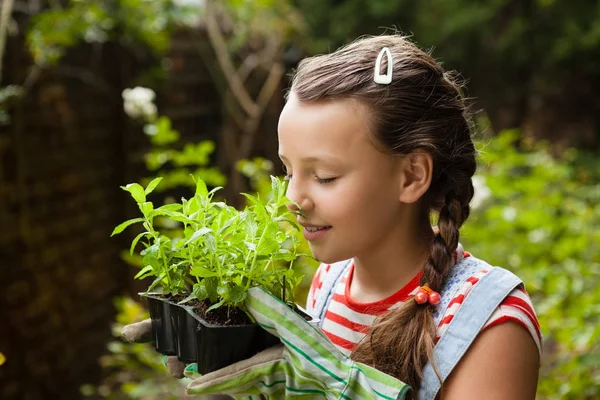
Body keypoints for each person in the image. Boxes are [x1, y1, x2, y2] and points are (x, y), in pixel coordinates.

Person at [124, 34, 541, 399]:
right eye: (288, 171)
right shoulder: (330, 281)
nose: (292, 198)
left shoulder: (489, 324)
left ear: (412, 175)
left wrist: (328, 383)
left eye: (324, 176)